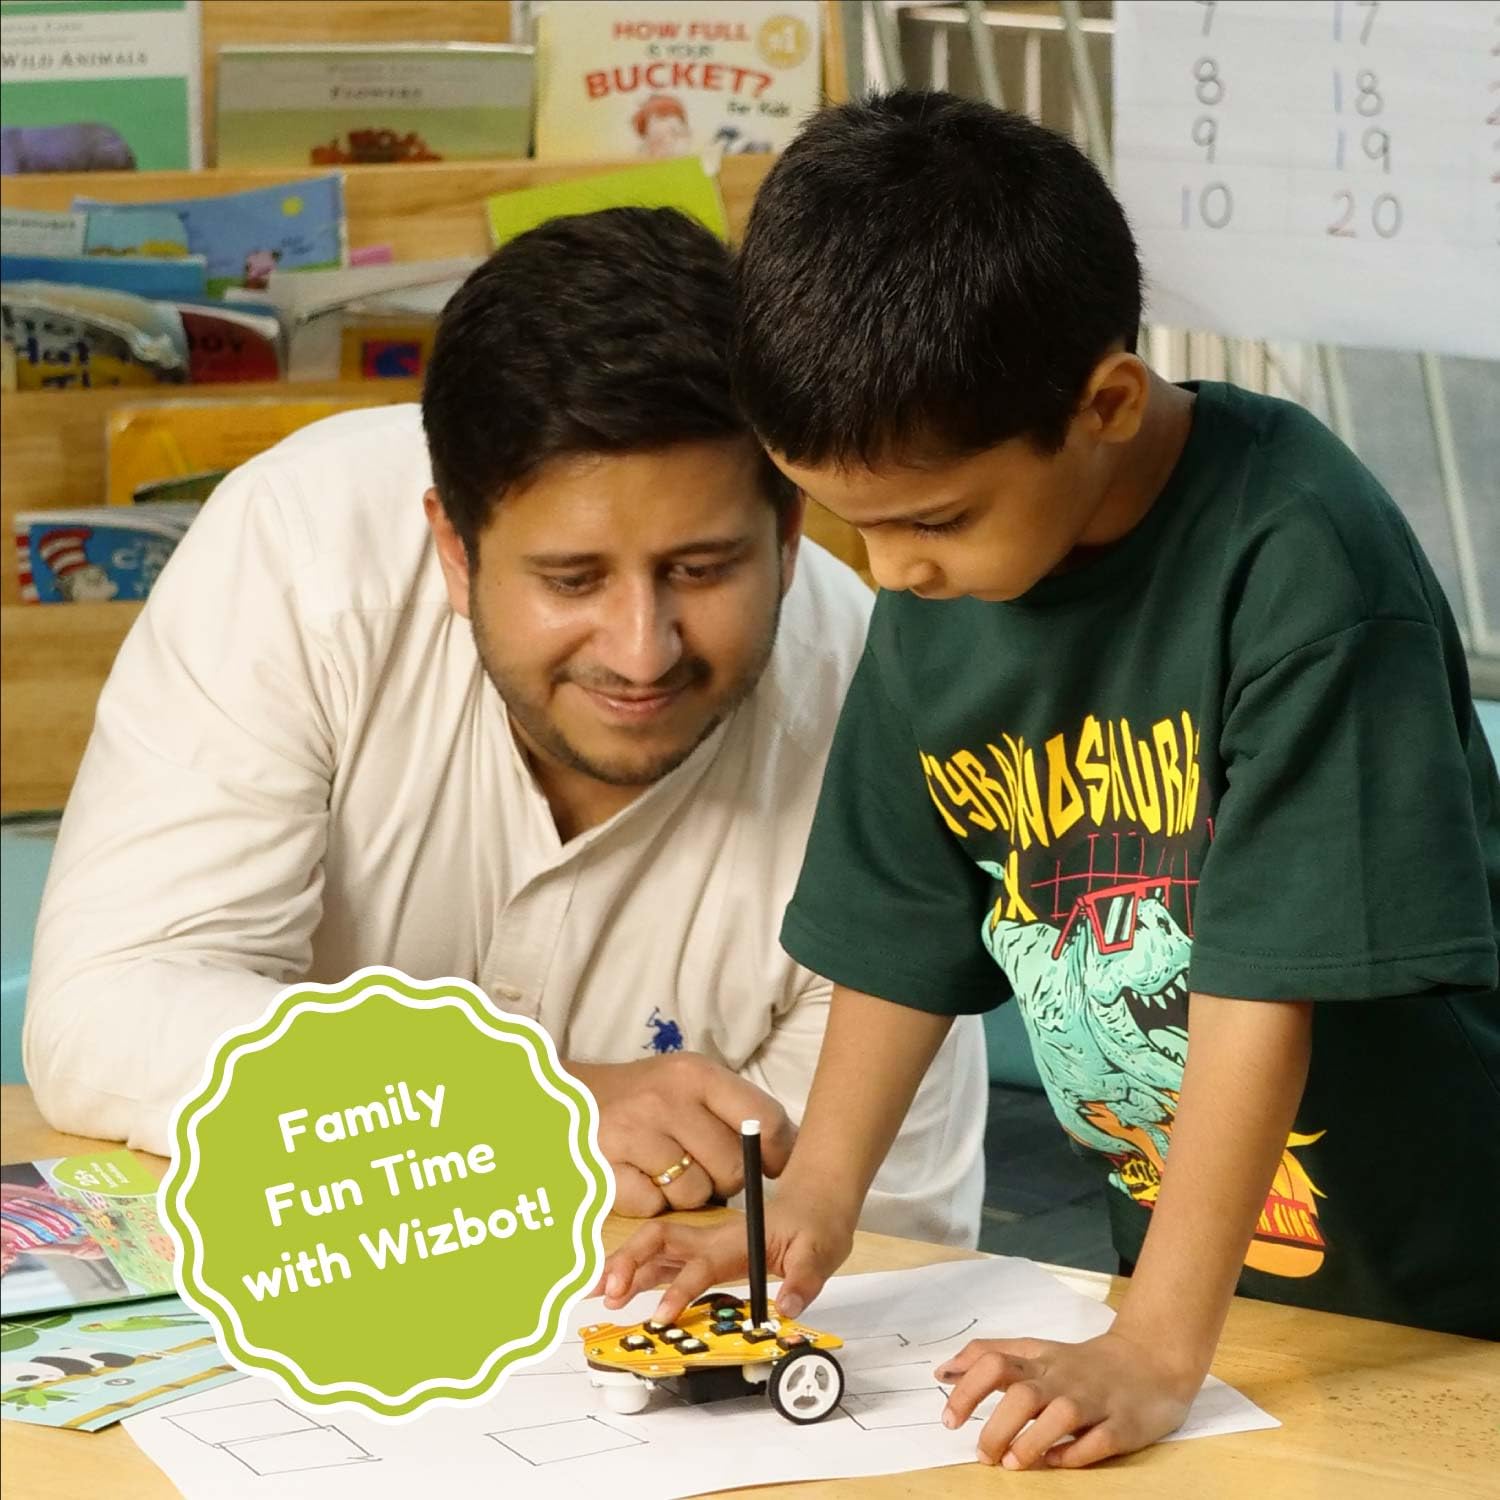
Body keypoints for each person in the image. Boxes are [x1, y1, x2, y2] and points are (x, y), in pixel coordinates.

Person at [600, 93, 1500, 1467]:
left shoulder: (1298, 557)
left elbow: (1259, 995)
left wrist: (1156, 1343)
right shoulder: (948, 569)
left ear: (1105, 405)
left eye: (931, 522)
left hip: (1438, 1277)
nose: (891, 572)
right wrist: (818, 1204)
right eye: (854, 525)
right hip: (1190, 1271)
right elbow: (901, 924)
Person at [23, 206, 988, 1248]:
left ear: (790, 534)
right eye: (572, 579)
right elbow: (106, 1018)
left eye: (702, 570)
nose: (641, 649)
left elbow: (878, 1245)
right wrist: (522, 1107)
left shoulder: (886, 717)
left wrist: (381, 1133)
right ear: (453, 546)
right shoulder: (301, 550)